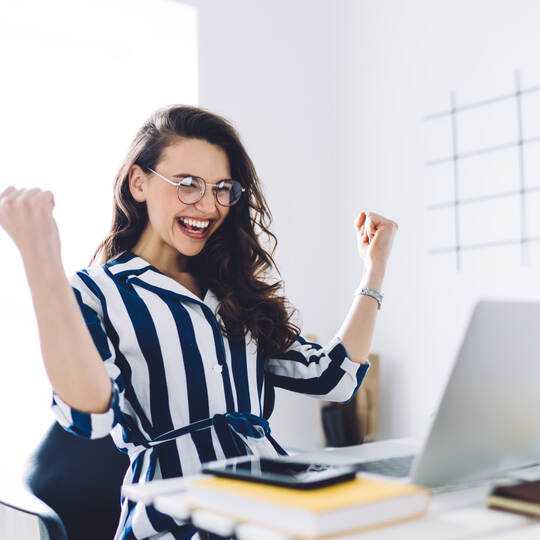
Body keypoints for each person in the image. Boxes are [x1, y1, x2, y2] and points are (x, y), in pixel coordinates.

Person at [0, 104, 398, 540]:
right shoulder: (95, 292)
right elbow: (89, 415)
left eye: (222, 188)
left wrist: (373, 269)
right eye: (188, 185)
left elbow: (333, 378)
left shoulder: (237, 290)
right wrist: (43, 267)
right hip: (173, 519)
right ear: (139, 182)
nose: (208, 205)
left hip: (272, 506)